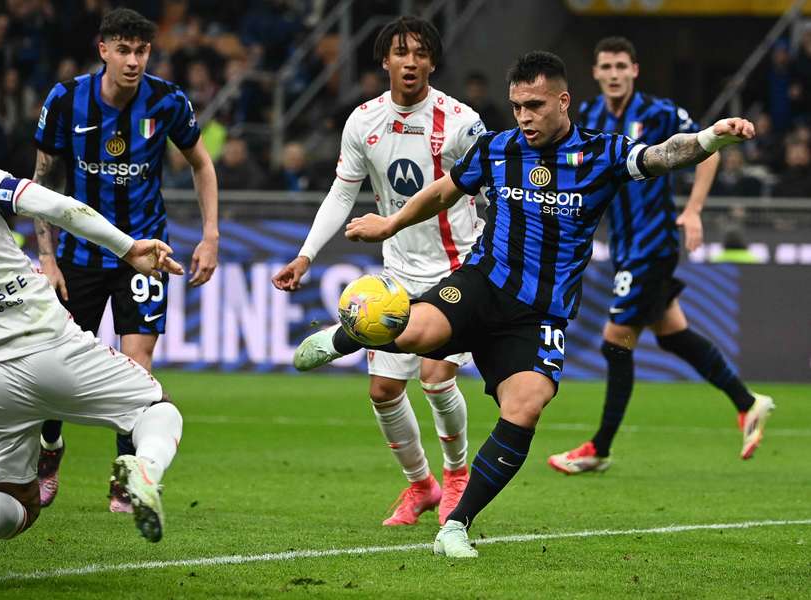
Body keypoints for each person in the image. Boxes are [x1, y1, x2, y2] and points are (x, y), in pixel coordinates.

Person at [292, 50, 760, 557]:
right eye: (517, 107)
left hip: (540, 314)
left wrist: (712, 137)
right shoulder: (498, 148)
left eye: (534, 106)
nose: (524, 117)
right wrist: (390, 223)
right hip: (481, 285)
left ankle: (456, 525)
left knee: (526, 407)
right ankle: (339, 337)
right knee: (412, 331)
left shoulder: (599, 154)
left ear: (563, 101)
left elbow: (663, 155)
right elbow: (445, 191)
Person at [0, 99, 184, 584]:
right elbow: (55, 205)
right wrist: (128, 246)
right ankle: (143, 471)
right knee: (157, 410)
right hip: (47, 342)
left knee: (16, 497)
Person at [272, 16, 485, 527]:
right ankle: (422, 485)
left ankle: (457, 477)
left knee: (436, 379)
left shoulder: (460, 122)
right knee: (383, 392)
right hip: (397, 276)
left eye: (419, 52)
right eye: (399, 52)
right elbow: (343, 192)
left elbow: (492, 191)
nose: (409, 61)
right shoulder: (363, 121)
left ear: (432, 61)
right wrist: (306, 254)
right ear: (384, 61)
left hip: (454, 271)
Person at [547, 37, 773, 475]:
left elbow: (710, 147)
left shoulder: (659, 112)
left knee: (617, 342)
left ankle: (600, 446)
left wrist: (693, 210)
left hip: (652, 246)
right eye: (605, 67)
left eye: (620, 66)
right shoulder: (589, 117)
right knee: (670, 334)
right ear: (595, 73)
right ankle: (748, 402)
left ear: (634, 70)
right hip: (624, 247)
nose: (613, 74)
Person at [31, 8, 219, 512]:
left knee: (137, 364)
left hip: (145, 253)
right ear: (104, 50)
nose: (134, 60)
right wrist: (46, 259)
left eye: (142, 51)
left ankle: (126, 473)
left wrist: (210, 235)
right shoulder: (67, 100)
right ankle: (50, 450)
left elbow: (202, 163)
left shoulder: (166, 101)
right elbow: (42, 184)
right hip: (78, 256)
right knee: (58, 368)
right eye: (124, 50)